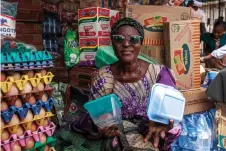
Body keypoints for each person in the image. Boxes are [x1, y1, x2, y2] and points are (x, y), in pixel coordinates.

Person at [90, 17, 181, 151]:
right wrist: (104, 127)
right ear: (112, 43)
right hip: (118, 136)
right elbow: (97, 117)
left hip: (151, 133)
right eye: (119, 39)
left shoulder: (160, 74)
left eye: (134, 39)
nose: (126, 44)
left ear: (141, 43)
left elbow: (173, 115)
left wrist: (163, 121)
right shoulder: (103, 76)